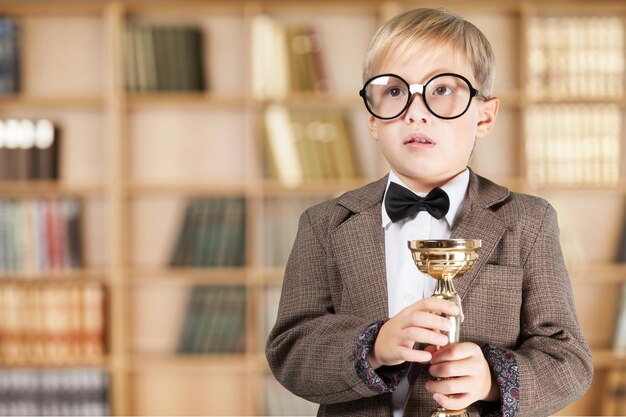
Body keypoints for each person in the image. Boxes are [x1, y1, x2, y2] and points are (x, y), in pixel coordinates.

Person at [265, 7, 592, 417]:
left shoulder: (529, 221)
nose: (415, 112)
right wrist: (374, 347)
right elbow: (290, 351)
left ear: (484, 115)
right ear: (372, 117)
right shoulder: (324, 224)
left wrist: (493, 380)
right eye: (395, 91)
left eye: (442, 90)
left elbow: (569, 361)